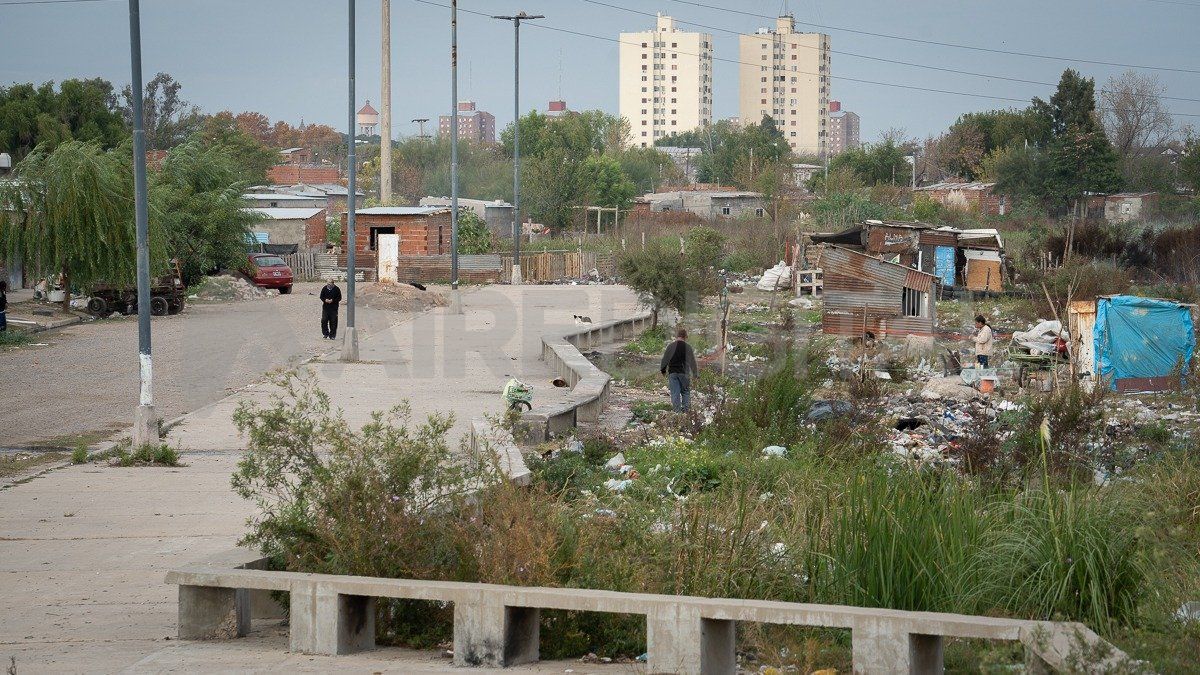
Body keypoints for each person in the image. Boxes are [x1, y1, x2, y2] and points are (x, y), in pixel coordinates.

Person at [660, 327, 699, 412]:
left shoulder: (671, 346)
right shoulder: (688, 347)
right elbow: (692, 361)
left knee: (675, 393)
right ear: (685, 337)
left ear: (677, 336)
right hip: (684, 373)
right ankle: (686, 411)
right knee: (685, 392)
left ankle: (677, 412)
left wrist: (663, 370)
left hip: (673, 373)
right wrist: (695, 374)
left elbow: (665, 360)